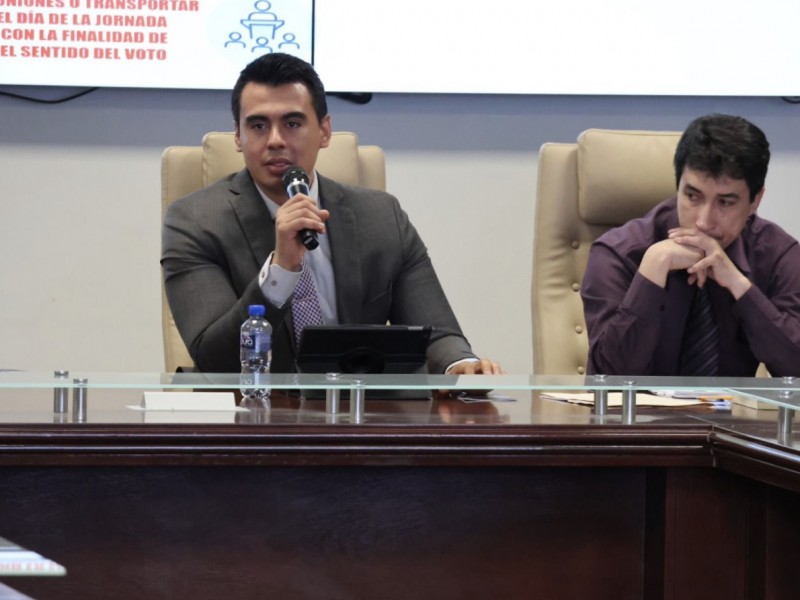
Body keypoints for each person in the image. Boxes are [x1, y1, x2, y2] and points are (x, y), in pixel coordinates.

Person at [161, 52, 502, 376]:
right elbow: (215, 361)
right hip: (253, 411)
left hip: (358, 409)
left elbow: (438, 334)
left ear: (324, 131)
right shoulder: (195, 221)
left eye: (292, 123)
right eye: (259, 126)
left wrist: (460, 365)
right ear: (238, 136)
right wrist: (280, 270)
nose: (275, 140)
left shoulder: (382, 217)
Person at [581, 113, 800, 377]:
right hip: (637, 406)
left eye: (725, 202)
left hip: (731, 407)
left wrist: (740, 286)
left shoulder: (777, 256)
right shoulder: (618, 253)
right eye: (692, 196)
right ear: (678, 187)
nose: (703, 222)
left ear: (755, 201)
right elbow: (608, 379)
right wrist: (651, 271)